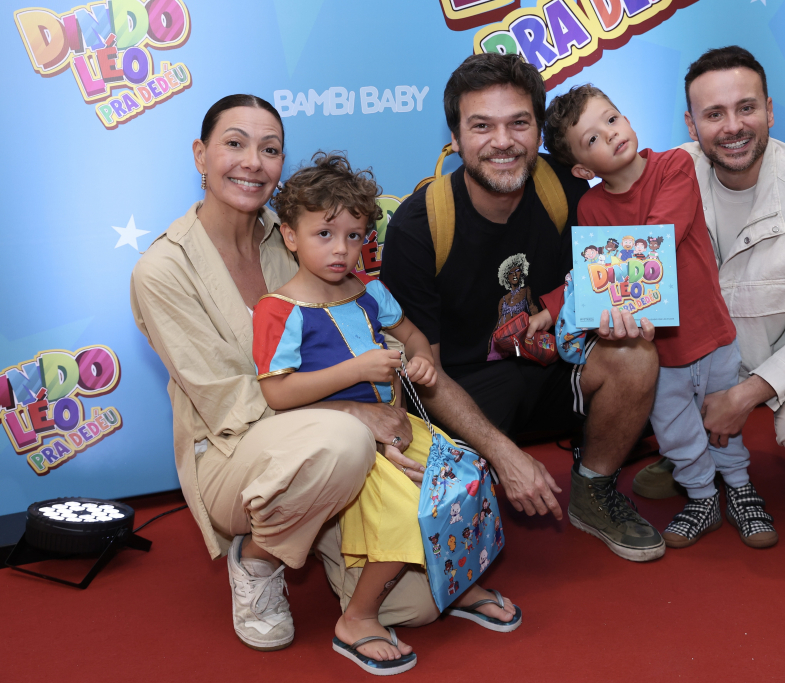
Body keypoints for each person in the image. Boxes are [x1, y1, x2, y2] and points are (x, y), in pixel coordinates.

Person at [129, 95, 437, 656]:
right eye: (234, 143)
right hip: (232, 453)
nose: (252, 161)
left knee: (416, 606)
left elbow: (375, 331)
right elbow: (234, 406)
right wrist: (354, 415)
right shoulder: (162, 271)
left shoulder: (305, 233)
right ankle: (257, 559)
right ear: (201, 156)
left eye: (269, 148)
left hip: (325, 444)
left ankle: (324, 519)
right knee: (341, 442)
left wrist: (385, 403)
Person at [381, 53, 664, 562]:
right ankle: (484, 469)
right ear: (455, 137)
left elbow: (639, 211)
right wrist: (504, 454)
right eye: (482, 126)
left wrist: (627, 307)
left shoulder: (568, 187)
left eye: (518, 123)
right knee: (420, 537)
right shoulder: (418, 226)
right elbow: (426, 375)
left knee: (636, 355)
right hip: (465, 392)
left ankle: (594, 489)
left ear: (537, 131)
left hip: (556, 367)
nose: (503, 141)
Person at [252, 151, 519, 675]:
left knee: (465, 478)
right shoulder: (279, 309)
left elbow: (414, 336)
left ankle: (458, 583)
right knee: (405, 511)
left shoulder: (370, 290)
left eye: (354, 236)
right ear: (289, 236)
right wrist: (358, 369)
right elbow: (278, 395)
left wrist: (420, 362)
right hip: (347, 441)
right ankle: (358, 617)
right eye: (324, 234)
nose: (342, 250)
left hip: (398, 425)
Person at [633, 46, 785, 510]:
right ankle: (689, 448)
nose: (732, 127)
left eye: (746, 108)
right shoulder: (663, 180)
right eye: (714, 114)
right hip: (700, 359)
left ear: (769, 111)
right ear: (691, 125)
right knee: (625, 361)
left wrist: (745, 395)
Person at [543, 84, 777, 549]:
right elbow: (592, 274)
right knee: (673, 433)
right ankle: (703, 495)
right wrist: (552, 306)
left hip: (710, 335)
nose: (610, 135)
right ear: (582, 168)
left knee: (721, 423)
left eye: (611, 119)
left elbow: (661, 235)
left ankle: (742, 487)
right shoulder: (590, 207)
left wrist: (617, 271)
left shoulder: (675, 166)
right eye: (591, 139)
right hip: (656, 353)